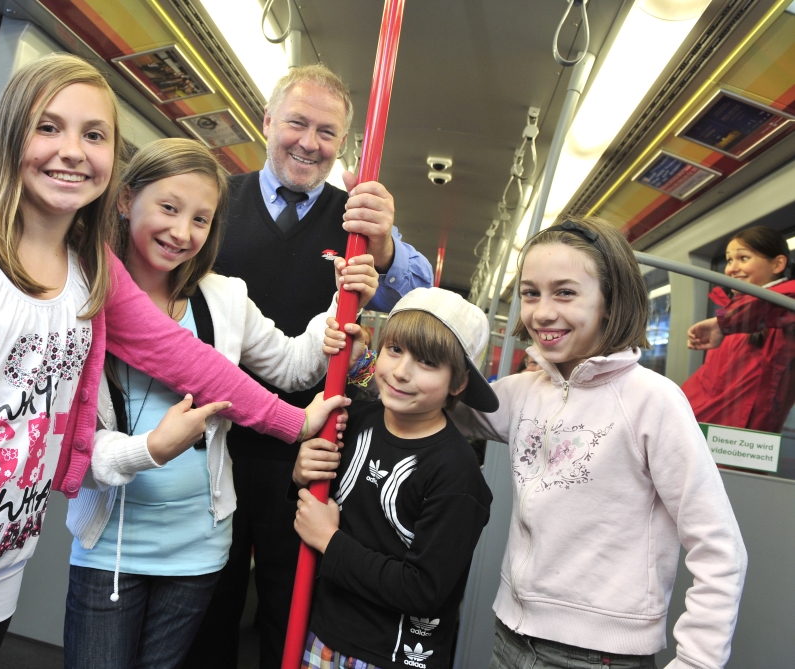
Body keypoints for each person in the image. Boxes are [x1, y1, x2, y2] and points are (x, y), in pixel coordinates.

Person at [0, 55, 345, 669]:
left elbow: (189, 361)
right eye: (48, 127)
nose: (73, 152)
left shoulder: (91, 272)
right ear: (12, 135)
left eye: (94, 135)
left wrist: (292, 422)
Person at [61, 138, 379, 669]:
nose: (182, 233)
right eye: (168, 208)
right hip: (109, 550)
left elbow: (291, 365)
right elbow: (75, 449)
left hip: (197, 551)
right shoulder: (82, 295)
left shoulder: (223, 297)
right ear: (124, 200)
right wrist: (150, 449)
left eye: (202, 220)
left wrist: (341, 301)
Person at [190, 63, 433, 669]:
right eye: (297, 123)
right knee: (207, 592)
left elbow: (420, 294)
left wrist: (386, 249)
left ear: (344, 145)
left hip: (311, 440)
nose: (309, 142)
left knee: (289, 591)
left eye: (327, 132)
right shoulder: (216, 198)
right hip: (210, 431)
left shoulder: (356, 220)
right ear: (266, 121)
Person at [445, 219, 746, 669]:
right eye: (531, 293)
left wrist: (697, 663)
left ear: (610, 301)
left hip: (600, 655)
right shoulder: (526, 390)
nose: (542, 312)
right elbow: (436, 405)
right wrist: (366, 366)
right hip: (510, 637)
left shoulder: (651, 400)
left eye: (565, 292)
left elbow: (720, 547)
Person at [294, 287, 495, 669]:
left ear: (458, 383)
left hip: (393, 654)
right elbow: (316, 507)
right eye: (395, 350)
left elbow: (423, 589)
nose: (401, 372)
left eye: (428, 362)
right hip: (324, 632)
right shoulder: (354, 419)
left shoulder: (456, 472)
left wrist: (329, 540)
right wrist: (302, 472)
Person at [682, 226, 795, 434]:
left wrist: (724, 322)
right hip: (702, 430)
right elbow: (708, 385)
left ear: (778, 264)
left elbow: (777, 301)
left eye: (743, 258)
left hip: (743, 444)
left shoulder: (783, 310)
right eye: (729, 260)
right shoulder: (732, 317)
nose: (730, 270)